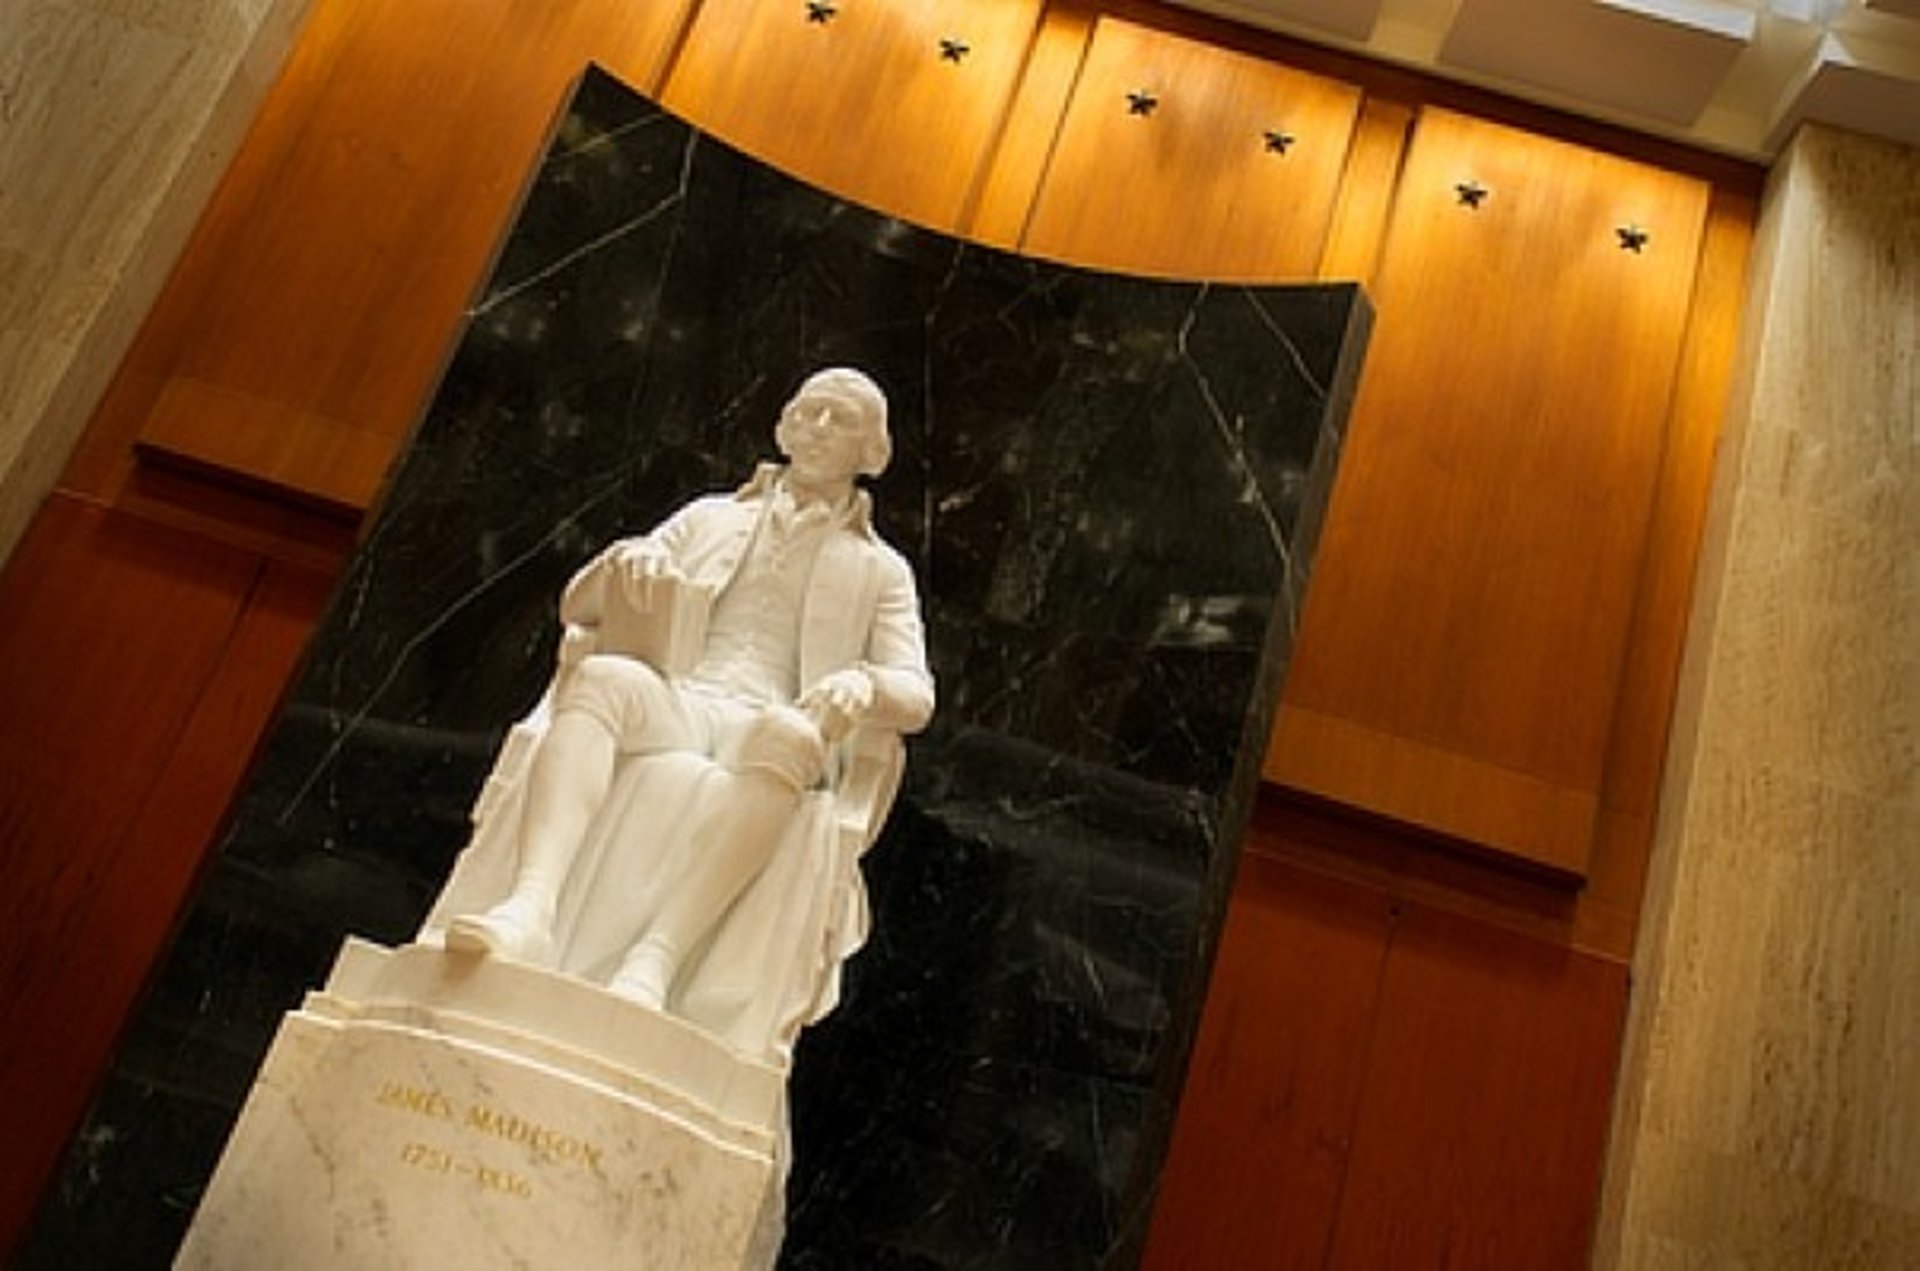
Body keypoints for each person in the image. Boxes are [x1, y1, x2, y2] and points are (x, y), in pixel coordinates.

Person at [446, 368, 934, 1010]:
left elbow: (915, 693)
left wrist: (863, 684)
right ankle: (531, 905)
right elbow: (578, 607)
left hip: (769, 718)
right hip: (680, 698)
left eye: (838, 418)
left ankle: (657, 958)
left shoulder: (881, 570)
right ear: (785, 425)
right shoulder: (708, 517)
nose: (817, 427)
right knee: (602, 678)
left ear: (871, 451)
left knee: (791, 738)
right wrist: (625, 561)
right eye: (808, 411)